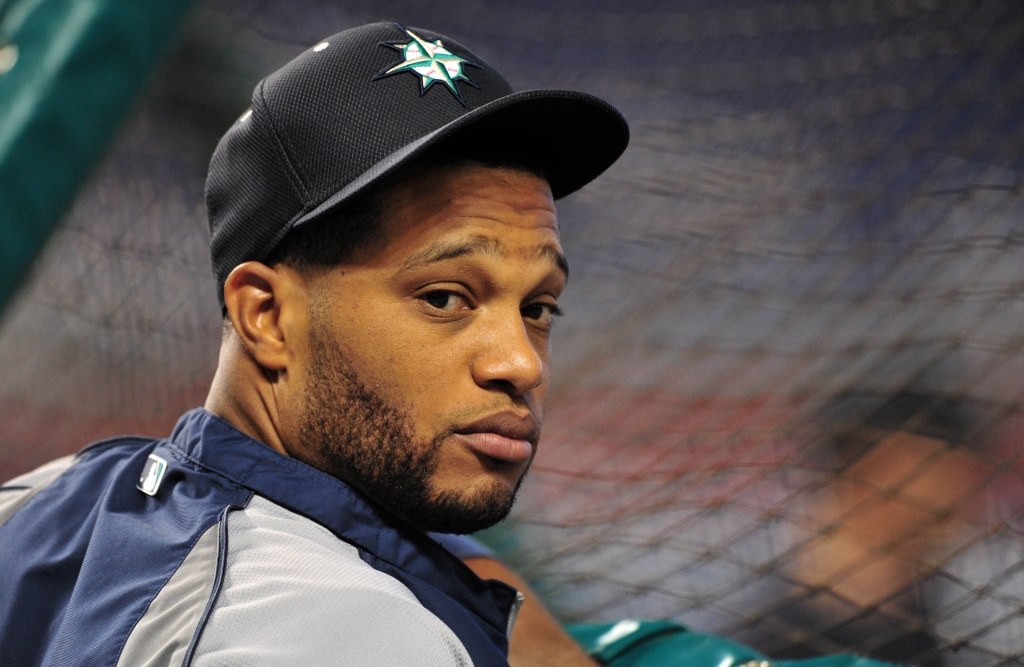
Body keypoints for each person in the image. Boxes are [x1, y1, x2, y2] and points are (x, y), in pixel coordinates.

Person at [0, 22, 627, 667]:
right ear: (266, 317)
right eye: (444, 298)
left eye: (538, 307)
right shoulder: (353, 630)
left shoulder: (37, 504)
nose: (521, 363)